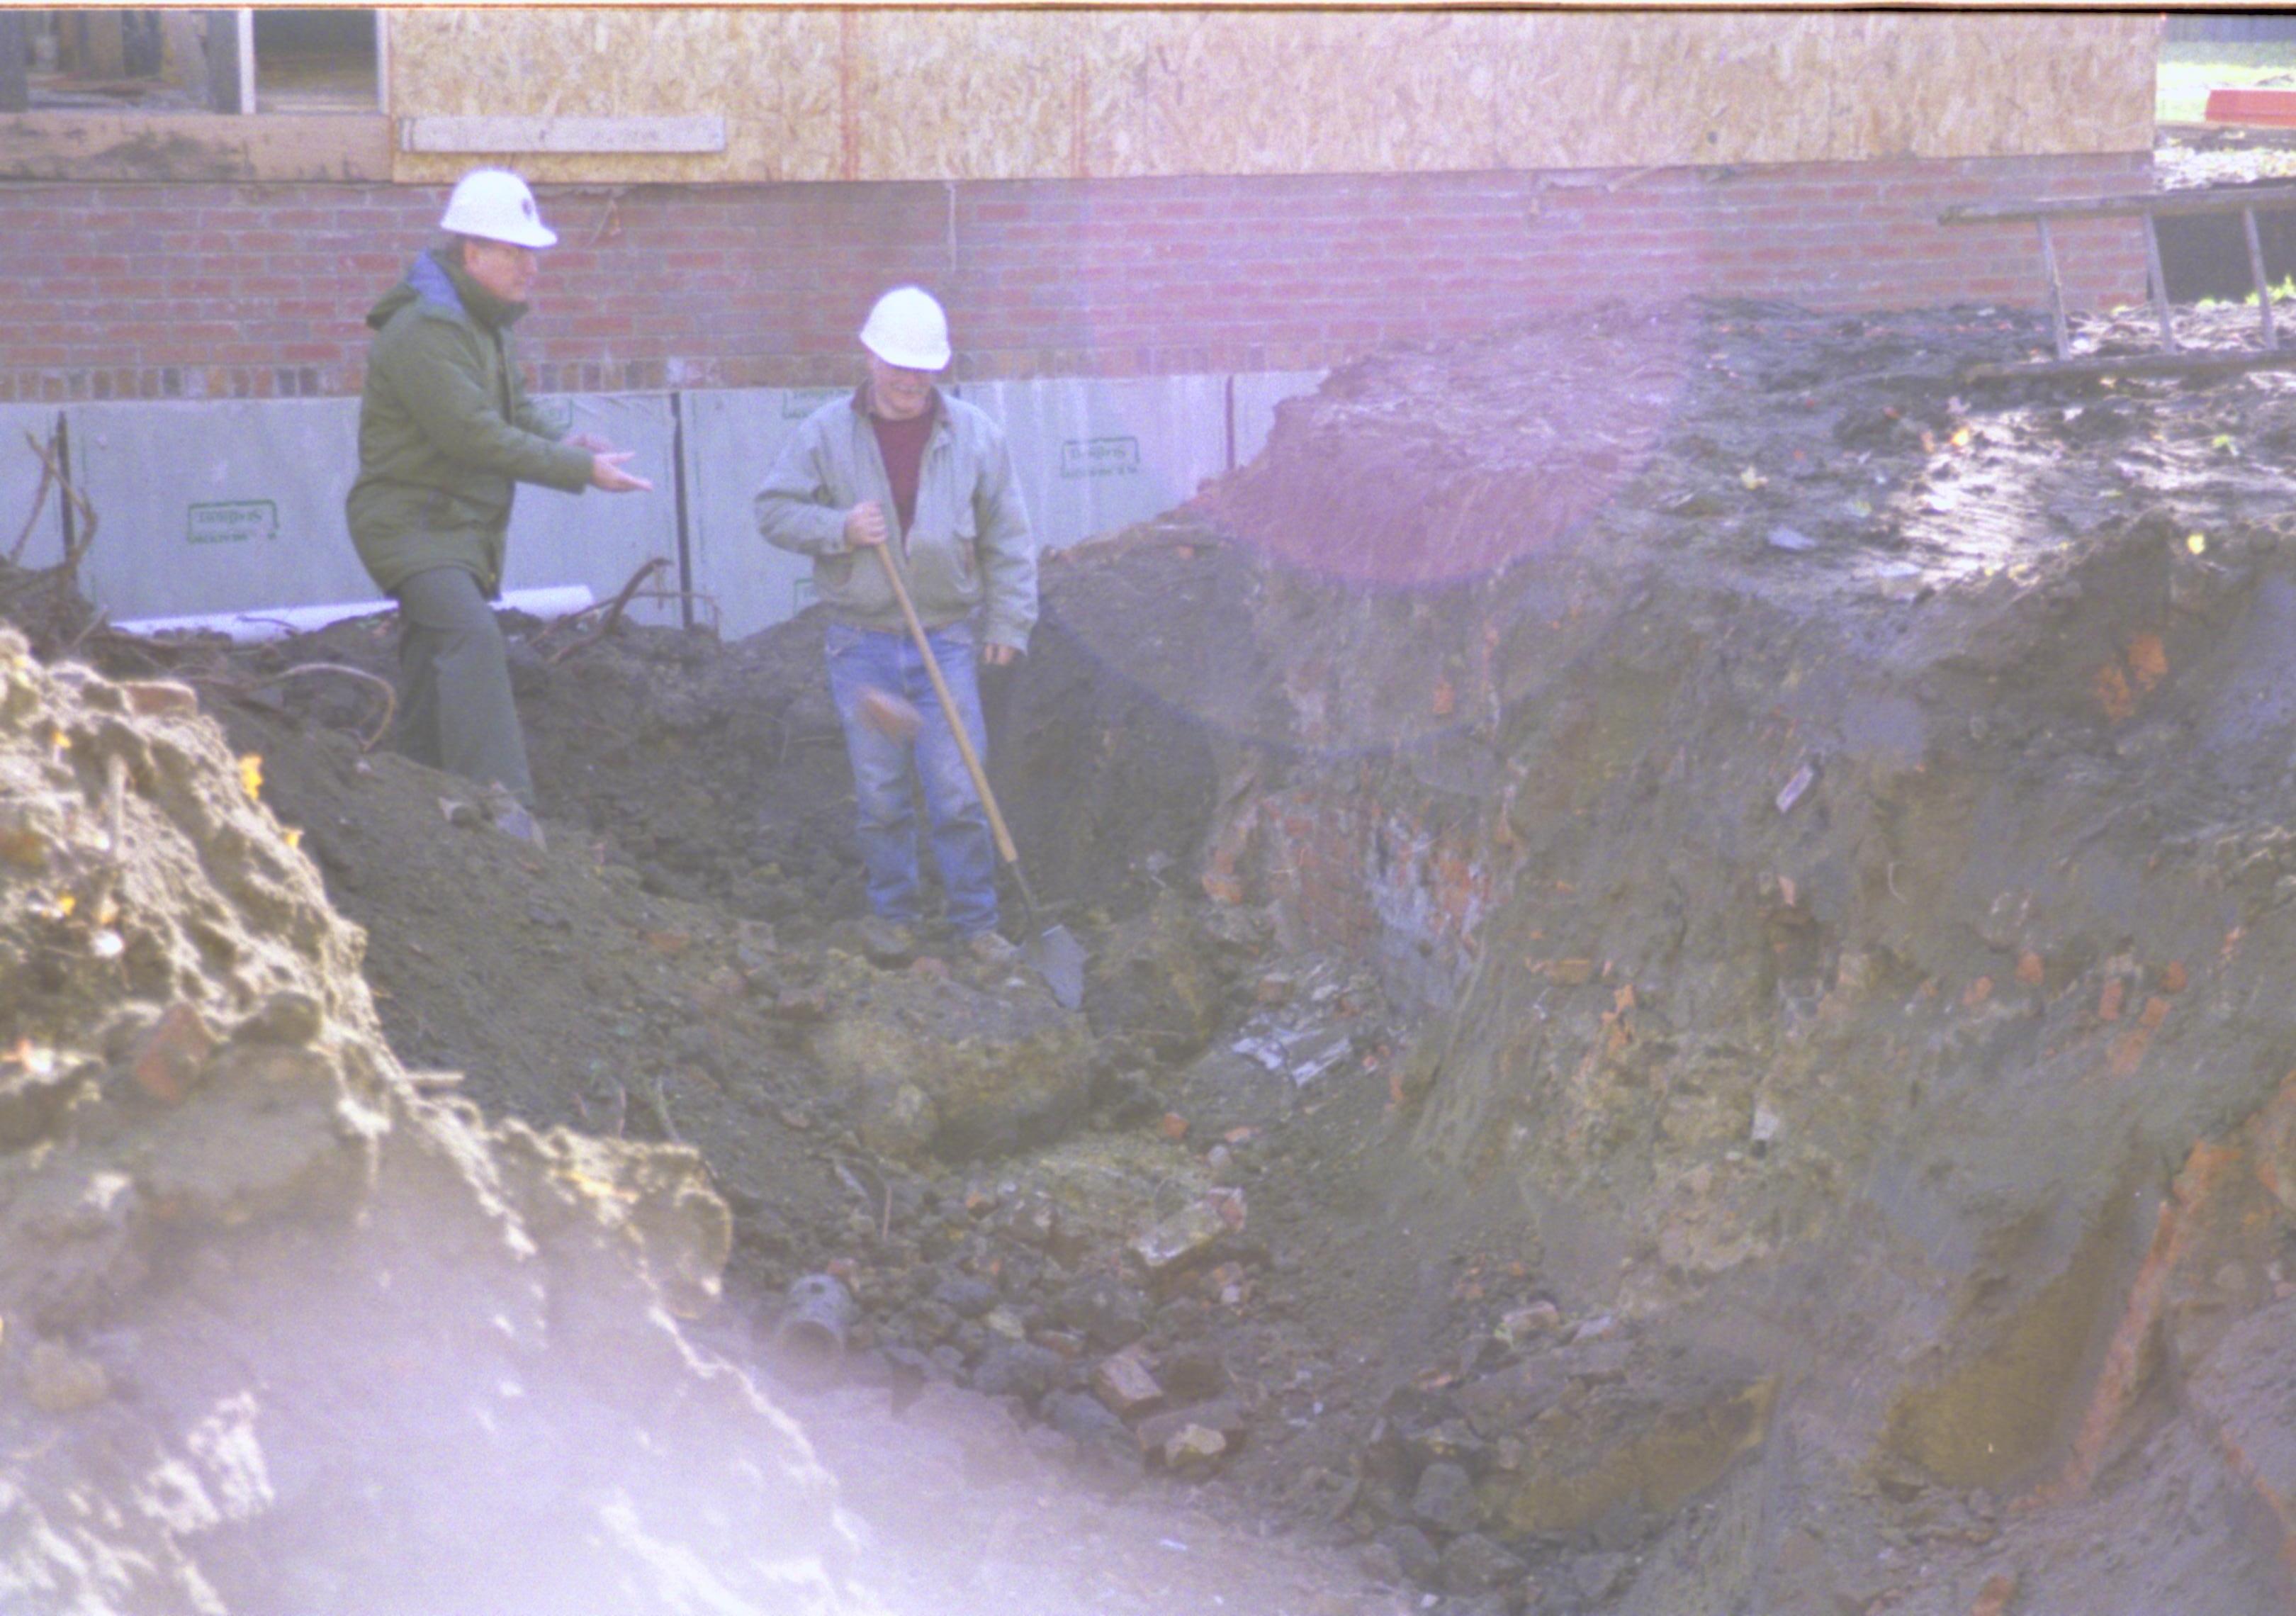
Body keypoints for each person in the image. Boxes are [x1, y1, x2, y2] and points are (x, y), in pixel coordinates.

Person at [345, 167, 652, 821]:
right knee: (472, 639)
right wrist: (577, 473)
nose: (531, 267)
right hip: (411, 527)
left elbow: (514, 412)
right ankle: (509, 815)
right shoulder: (427, 330)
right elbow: (473, 436)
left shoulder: (483, 323)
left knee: (434, 657)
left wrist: (570, 443)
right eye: (516, 252)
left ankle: (415, 797)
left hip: (453, 527)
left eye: (532, 253)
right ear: (471, 252)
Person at [755, 286, 1036, 965]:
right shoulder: (825, 432)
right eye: (897, 364)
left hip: (946, 636)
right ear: (871, 356)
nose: (910, 380)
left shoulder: (974, 435)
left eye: (923, 367)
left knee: (958, 789)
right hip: (862, 645)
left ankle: (976, 925)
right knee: (881, 796)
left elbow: (1009, 536)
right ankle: (895, 922)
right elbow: (773, 510)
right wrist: (839, 528)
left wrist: (1010, 619)